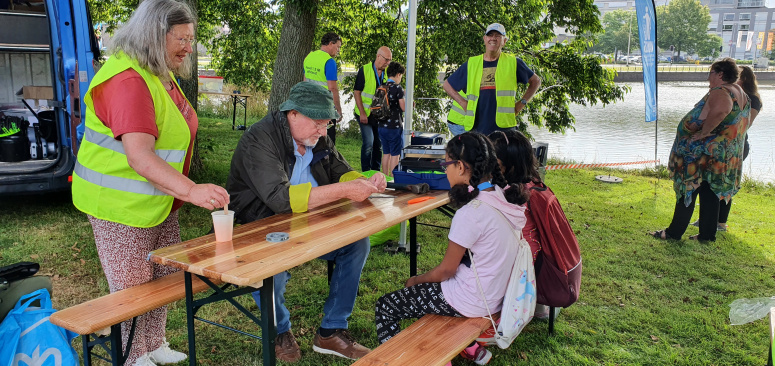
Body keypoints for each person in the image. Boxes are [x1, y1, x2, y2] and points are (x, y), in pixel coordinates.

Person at [70, 0, 230, 365]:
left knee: (161, 276)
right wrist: (190, 190)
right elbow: (140, 156)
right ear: (156, 34)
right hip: (119, 207)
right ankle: (132, 355)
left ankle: (154, 343)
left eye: (192, 39)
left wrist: (178, 191)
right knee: (132, 289)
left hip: (157, 200)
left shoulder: (157, 68)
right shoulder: (127, 80)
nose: (190, 48)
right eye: (183, 39)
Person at [226, 81, 387, 362]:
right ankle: (280, 330)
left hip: (307, 221)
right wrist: (345, 191)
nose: (323, 132)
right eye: (318, 123)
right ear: (293, 114)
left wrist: (365, 180)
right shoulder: (259, 138)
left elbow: (341, 171)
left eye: (326, 124)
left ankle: (332, 331)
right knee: (271, 272)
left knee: (357, 243)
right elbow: (280, 198)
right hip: (263, 224)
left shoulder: (316, 135)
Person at [374, 132, 529, 365]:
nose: (444, 171)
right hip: (496, 296)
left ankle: (402, 361)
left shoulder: (472, 213)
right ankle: (466, 347)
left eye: (445, 164)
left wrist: (416, 280)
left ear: (459, 166)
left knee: (386, 306)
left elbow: (446, 271)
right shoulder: (502, 197)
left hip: (470, 300)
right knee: (424, 297)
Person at [650, 58, 750, 242]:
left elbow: (722, 111)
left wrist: (705, 133)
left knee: (688, 189)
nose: (708, 78)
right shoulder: (739, 91)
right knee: (709, 192)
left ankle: (673, 233)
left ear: (720, 74)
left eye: (711, 73)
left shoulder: (721, 91)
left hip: (703, 155)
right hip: (721, 154)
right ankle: (706, 235)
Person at [693, 65, 761, 232]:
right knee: (711, 181)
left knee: (724, 181)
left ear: (743, 78)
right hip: (722, 144)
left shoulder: (751, 98)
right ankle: (708, 219)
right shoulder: (730, 94)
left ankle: (720, 222)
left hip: (735, 145)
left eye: (737, 75)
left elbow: (745, 124)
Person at [443, 23, 541, 136]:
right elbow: (447, 85)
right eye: (490, 35)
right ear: (485, 39)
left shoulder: (514, 63)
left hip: (504, 128)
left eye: (498, 36)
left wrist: (521, 103)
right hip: (476, 128)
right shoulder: (472, 63)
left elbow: (536, 81)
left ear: (504, 41)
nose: (493, 38)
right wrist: (463, 103)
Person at [354, 46, 391, 172]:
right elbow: (357, 92)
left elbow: (396, 90)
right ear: (378, 56)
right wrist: (363, 114)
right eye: (386, 60)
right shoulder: (364, 70)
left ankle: (376, 172)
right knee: (369, 143)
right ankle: (366, 172)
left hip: (379, 116)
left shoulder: (388, 73)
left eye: (390, 61)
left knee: (378, 145)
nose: (388, 63)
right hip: (364, 114)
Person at [304, 32, 343, 144]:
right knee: (327, 142)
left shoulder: (309, 57)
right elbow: (333, 89)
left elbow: (304, 81)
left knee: (310, 139)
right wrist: (338, 109)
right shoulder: (329, 61)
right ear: (331, 44)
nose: (338, 51)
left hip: (308, 106)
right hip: (324, 108)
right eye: (338, 47)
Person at [377, 62, 406, 177]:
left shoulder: (381, 87)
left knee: (386, 153)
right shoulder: (398, 88)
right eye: (401, 76)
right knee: (395, 154)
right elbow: (403, 107)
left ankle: (385, 178)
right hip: (394, 127)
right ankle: (394, 179)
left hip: (381, 126)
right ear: (398, 74)